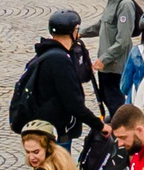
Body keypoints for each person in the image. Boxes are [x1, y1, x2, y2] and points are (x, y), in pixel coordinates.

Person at [13, 9, 102, 153]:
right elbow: (74, 104)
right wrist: (100, 126)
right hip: (55, 132)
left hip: (42, 127)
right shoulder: (60, 60)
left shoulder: (45, 54)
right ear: (74, 31)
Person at [80, 0, 143, 116]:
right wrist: (80, 34)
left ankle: (122, 135)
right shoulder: (112, 1)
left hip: (115, 65)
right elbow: (101, 24)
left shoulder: (125, 5)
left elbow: (123, 40)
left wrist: (104, 59)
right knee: (107, 99)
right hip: (106, 65)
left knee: (116, 105)